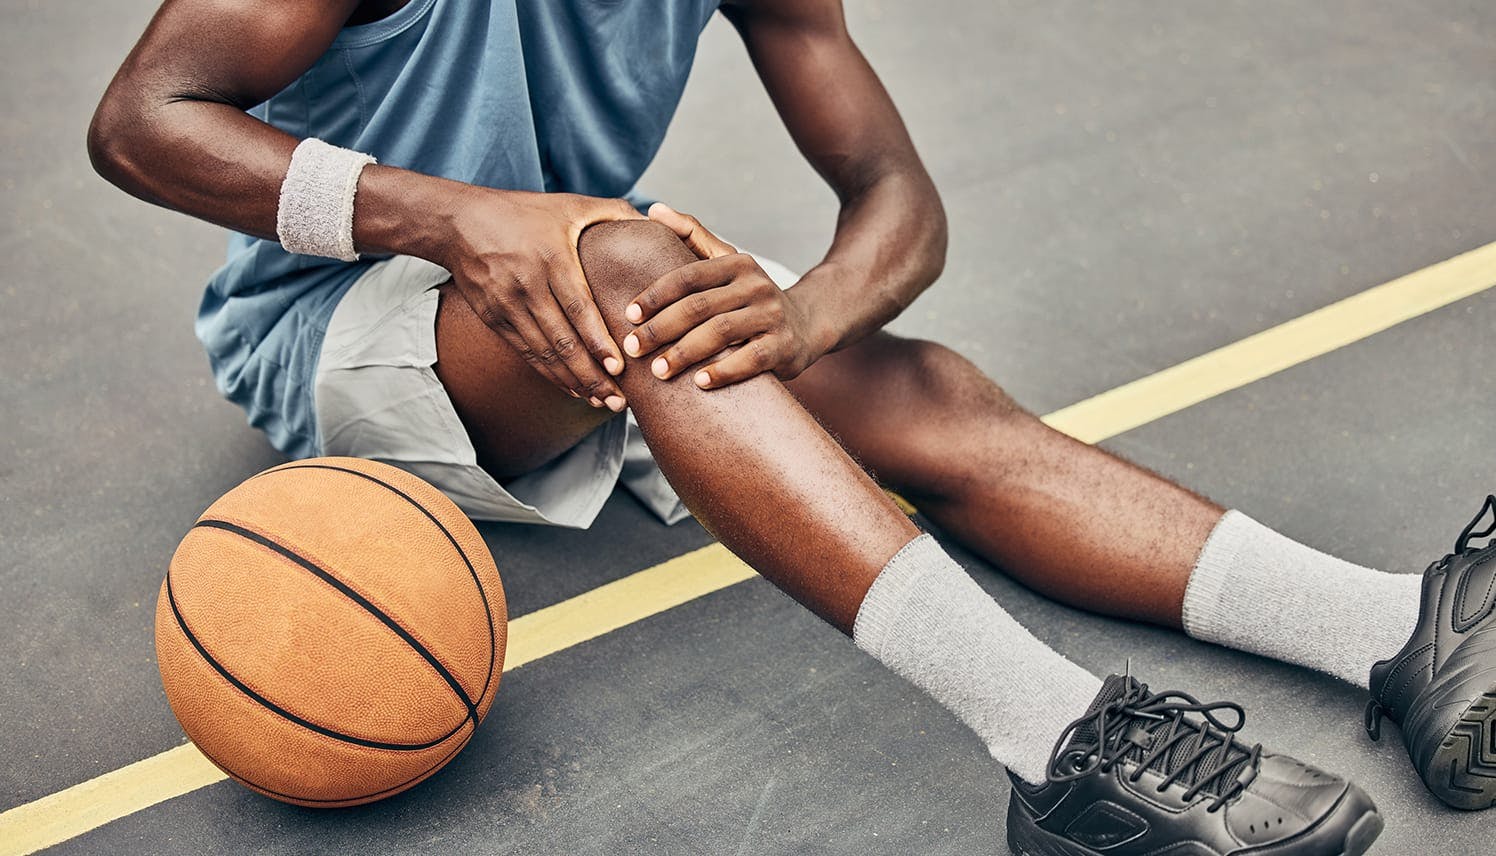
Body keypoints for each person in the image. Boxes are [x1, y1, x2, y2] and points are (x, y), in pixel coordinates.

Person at [88, 1, 1495, 852]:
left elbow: (895, 193)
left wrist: (815, 316)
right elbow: (143, 122)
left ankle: (1390, 625)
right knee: (642, 272)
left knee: (910, 387)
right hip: (342, 324)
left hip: (583, 281)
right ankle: (1054, 741)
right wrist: (455, 220)